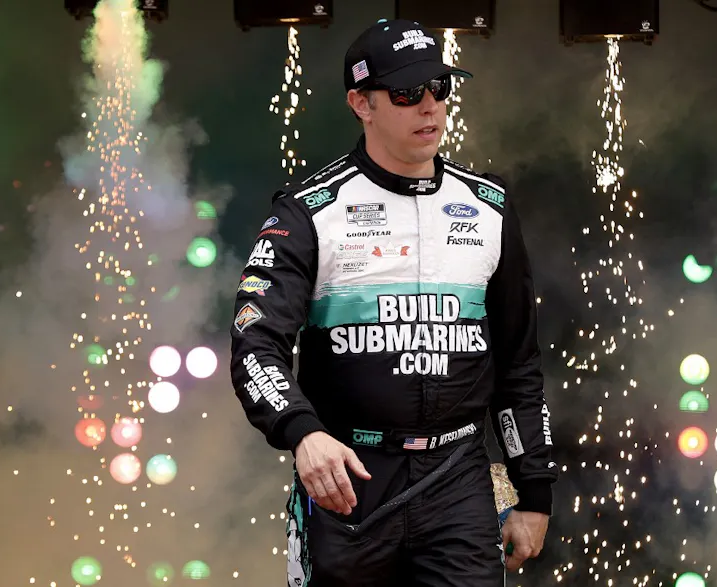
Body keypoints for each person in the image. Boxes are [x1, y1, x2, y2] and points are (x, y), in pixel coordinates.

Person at [229, 18, 558, 587]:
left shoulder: (490, 208)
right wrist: (302, 432)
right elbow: (255, 341)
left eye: (440, 88)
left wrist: (535, 492)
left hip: (457, 477)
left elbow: (518, 365)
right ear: (362, 102)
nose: (429, 107)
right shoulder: (308, 211)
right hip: (350, 481)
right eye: (406, 93)